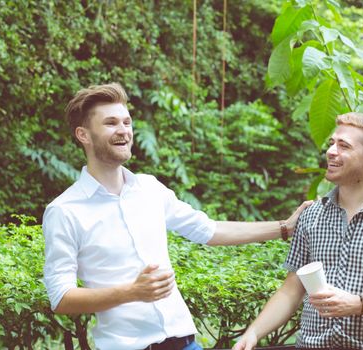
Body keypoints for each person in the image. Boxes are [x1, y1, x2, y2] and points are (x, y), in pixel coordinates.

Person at [42, 83, 312, 350]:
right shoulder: (65, 211)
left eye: (127, 121)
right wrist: (131, 292)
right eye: (111, 123)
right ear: (83, 135)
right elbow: (61, 297)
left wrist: (284, 228)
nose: (124, 130)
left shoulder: (149, 188)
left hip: (185, 344)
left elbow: (209, 230)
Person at [234, 112, 363, 350]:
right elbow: (291, 290)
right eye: (332, 143)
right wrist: (253, 333)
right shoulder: (311, 215)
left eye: (344, 146)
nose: (331, 151)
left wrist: (358, 304)